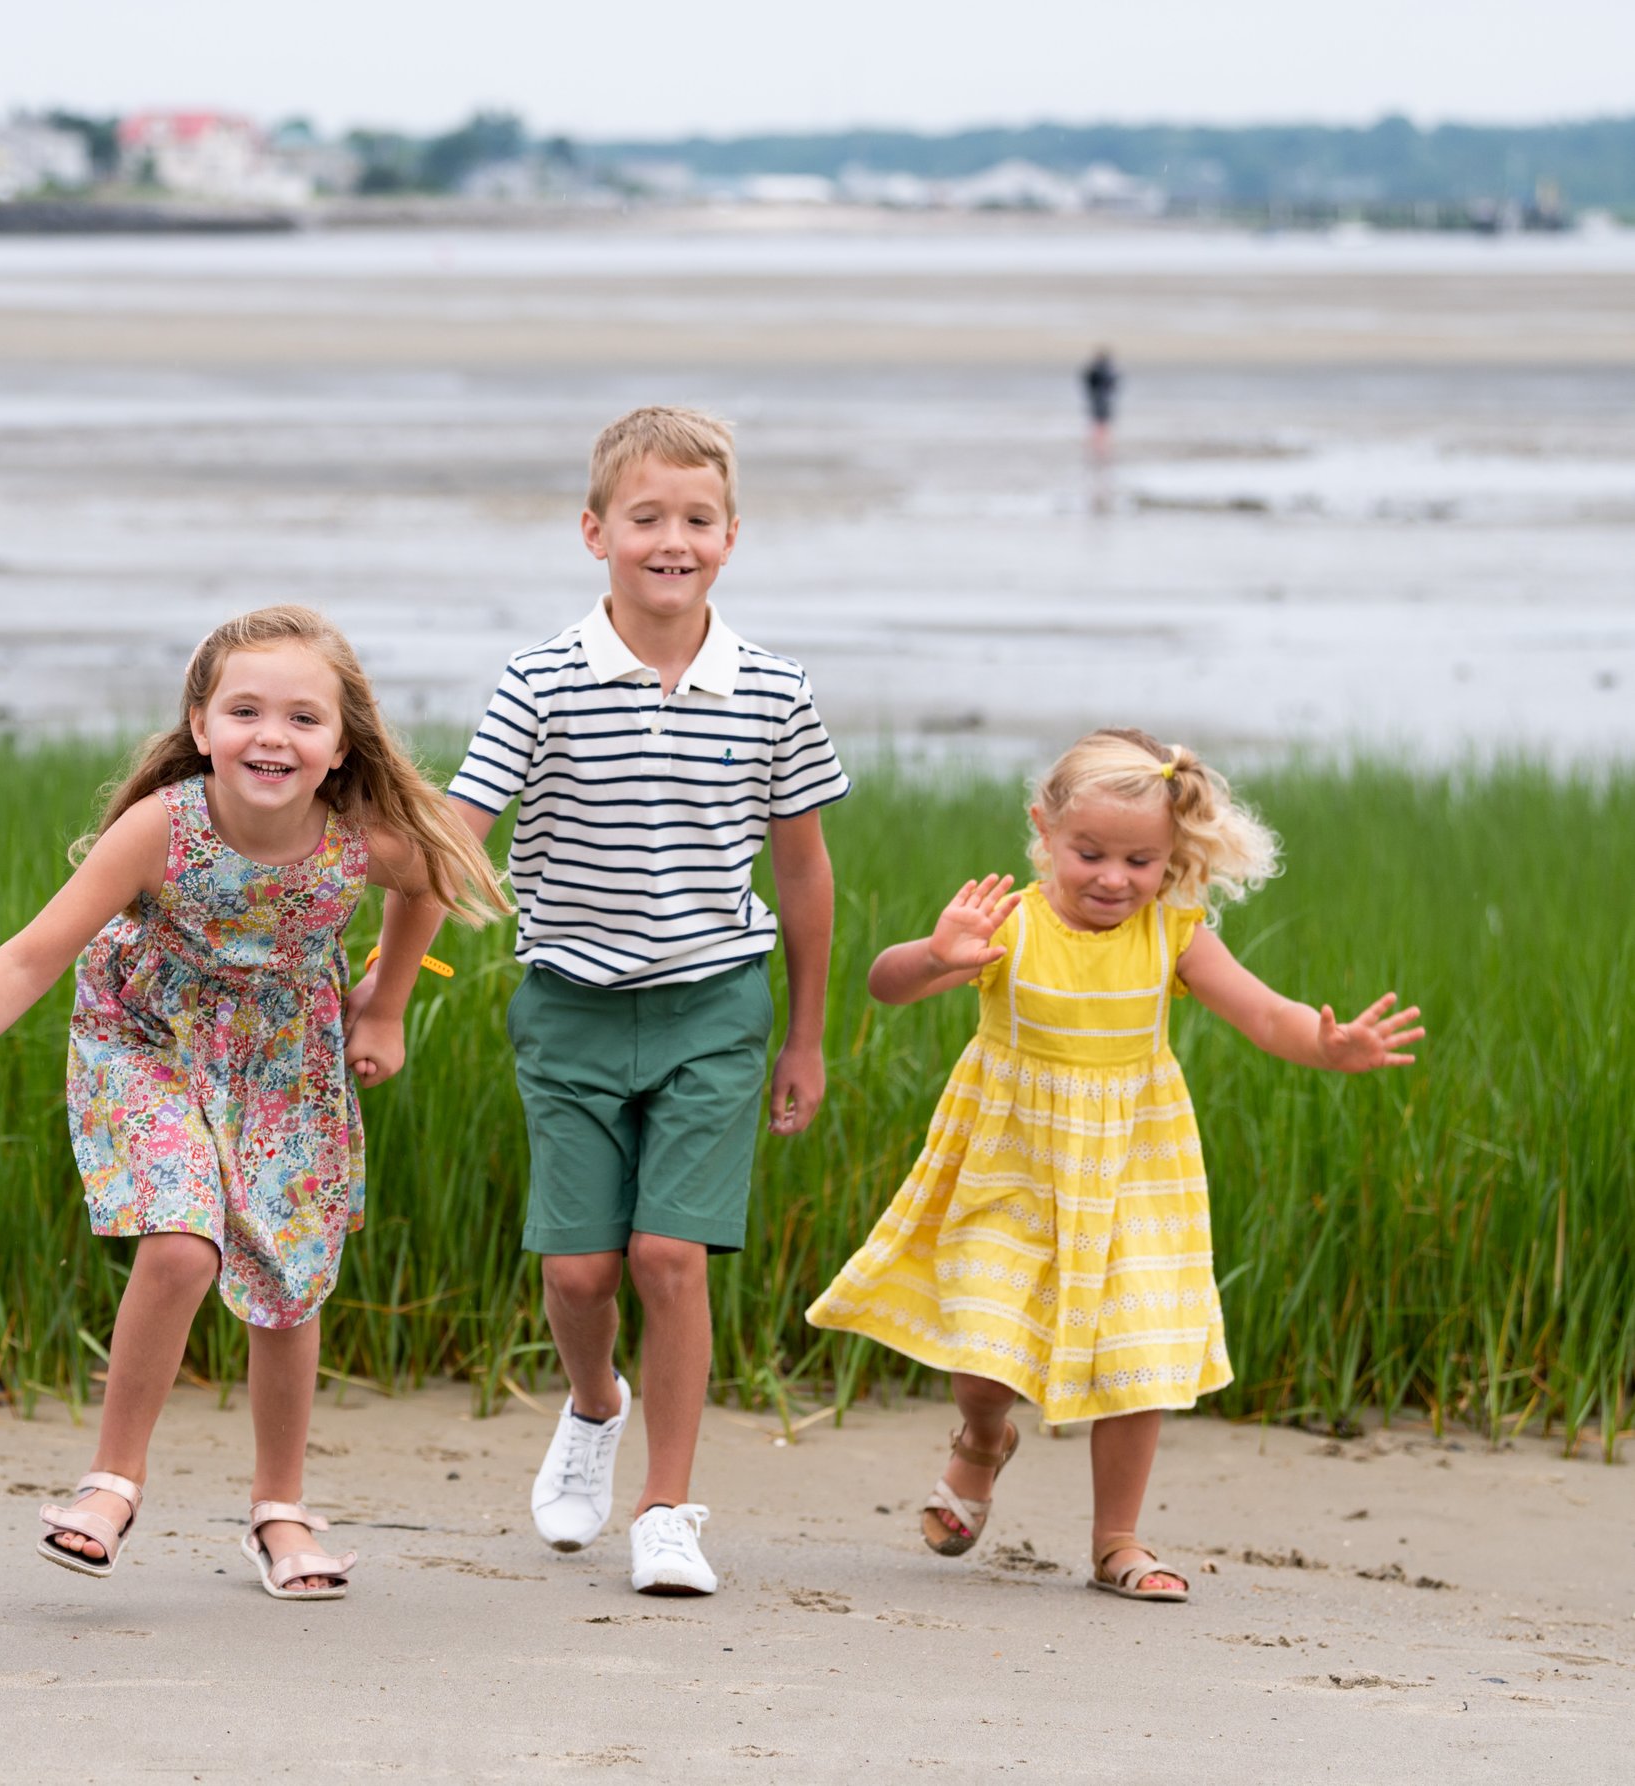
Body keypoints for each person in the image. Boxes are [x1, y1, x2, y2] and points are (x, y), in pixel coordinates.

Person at [0, 605, 506, 1600]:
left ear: (339, 744)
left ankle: (278, 1507)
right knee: (184, 1238)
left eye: (302, 718)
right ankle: (111, 1480)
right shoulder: (161, 828)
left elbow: (434, 879)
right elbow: (33, 952)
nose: (271, 736)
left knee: (289, 1277)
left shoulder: (357, 841)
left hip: (287, 1056)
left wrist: (388, 1006)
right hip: (144, 1040)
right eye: (244, 710)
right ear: (201, 725)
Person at [808, 728, 1424, 1601]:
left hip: (1135, 1166)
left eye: (1140, 861)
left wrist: (1328, 1046)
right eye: (1090, 853)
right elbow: (885, 983)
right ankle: (984, 1438)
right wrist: (934, 957)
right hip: (1011, 1160)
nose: (1113, 878)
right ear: (1044, 832)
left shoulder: (1173, 931)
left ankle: (1117, 1541)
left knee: (1136, 1351)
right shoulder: (1009, 925)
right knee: (985, 1346)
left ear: (1171, 860)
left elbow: (1265, 1014)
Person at [434, 405, 846, 1595]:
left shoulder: (771, 689)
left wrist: (805, 1038)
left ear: (730, 536)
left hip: (715, 1006)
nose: (673, 539)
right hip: (566, 1005)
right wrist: (389, 972)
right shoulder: (541, 679)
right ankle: (592, 1404)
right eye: (646, 517)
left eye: (698, 519)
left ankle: (668, 1507)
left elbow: (804, 871)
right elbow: (463, 835)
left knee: (669, 1256)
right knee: (577, 1276)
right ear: (594, 530)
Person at [1082, 347, 1120, 462]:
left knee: (1099, 423)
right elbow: (1113, 384)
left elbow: (1089, 382)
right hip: (1101, 399)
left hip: (1099, 399)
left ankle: (1100, 445)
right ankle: (1100, 445)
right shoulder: (1107, 370)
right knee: (1101, 423)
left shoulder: (1098, 370)